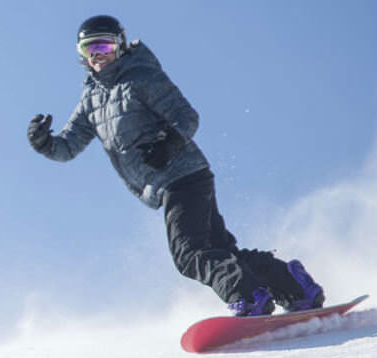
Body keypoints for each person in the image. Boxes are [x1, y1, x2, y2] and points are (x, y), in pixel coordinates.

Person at [26, 15, 323, 317]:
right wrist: (44, 143)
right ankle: (295, 286)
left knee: (188, 253)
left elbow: (186, 116)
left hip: (182, 176)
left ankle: (247, 296)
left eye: (105, 45)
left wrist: (167, 145)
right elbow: (68, 147)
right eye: (89, 49)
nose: (98, 55)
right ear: (82, 55)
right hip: (172, 183)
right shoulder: (91, 100)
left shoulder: (140, 77)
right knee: (219, 251)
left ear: (120, 45)